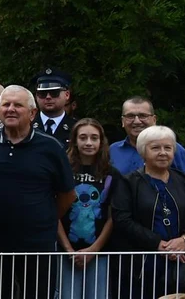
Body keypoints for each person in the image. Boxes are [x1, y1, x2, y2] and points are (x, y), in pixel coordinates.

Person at [0, 84, 75, 298]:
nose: (10, 109)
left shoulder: (51, 147)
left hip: (36, 244)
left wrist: (44, 217)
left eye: (18, 105)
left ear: (32, 113)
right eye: (6, 105)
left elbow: (68, 194)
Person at [111, 125, 185, 298]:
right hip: (142, 266)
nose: (163, 153)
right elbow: (122, 219)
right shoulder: (128, 182)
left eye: (168, 148)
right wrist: (158, 244)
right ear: (143, 151)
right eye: (155, 148)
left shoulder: (184, 180)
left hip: (183, 264)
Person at [56, 119, 119, 299]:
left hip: (99, 251)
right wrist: (68, 249)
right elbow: (54, 213)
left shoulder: (111, 174)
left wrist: (94, 249)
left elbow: (112, 216)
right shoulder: (63, 170)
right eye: (83, 138)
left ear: (101, 141)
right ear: (75, 141)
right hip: (66, 252)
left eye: (94, 138)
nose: (89, 143)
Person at [110, 96, 185, 180]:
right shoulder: (113, 150)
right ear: (122, 121)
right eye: (130, 116)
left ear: (154, 120)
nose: (137, 121)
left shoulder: (173, 150)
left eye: (142, 116)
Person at [33, 67, 77, 146]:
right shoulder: (26, 126)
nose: (48, 97)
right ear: (36, 96)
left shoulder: (76, 128)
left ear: (67, 95)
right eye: (42, 94)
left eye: (54, 93)